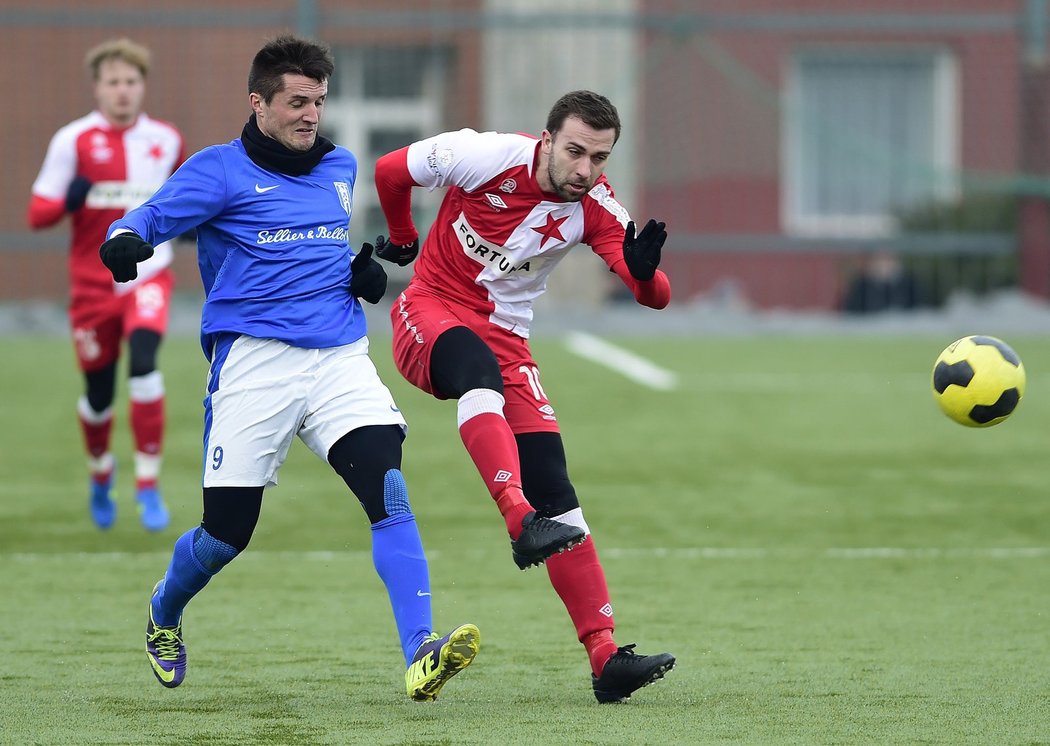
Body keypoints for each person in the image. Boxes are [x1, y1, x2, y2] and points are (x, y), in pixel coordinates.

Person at [96, 34, 480, 701]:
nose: (311, 114)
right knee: (225, 536)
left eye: (319, 101)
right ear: (259, 102)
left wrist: (360, 275)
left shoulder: (339, 168)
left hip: (337, 360)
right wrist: (123, 242)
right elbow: (147, 218)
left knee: (387, 488)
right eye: (297, 102)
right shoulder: (218, 170)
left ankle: (421, 651)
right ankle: (164, 609)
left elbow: (331, 252)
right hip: (253, 364)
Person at [372, 89, 677, 703]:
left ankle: (605, 656)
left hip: (508, 340)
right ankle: (518, 518)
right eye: (575, 152)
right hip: (428, 309)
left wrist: (643, 273)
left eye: (599, 157)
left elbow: (655, 295)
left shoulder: (597, 206)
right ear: (546, 140)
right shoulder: (481, 156)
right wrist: (404, 238)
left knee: (557, 489)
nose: (585, 169)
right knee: (478, 371)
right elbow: (389, 170)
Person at [27, 38, 185, 532]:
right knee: (98, 396)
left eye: (131, 82)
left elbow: (182, 203)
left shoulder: (166, 140)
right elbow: (37, 215)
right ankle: (101, 475)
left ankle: (147, 485)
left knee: (144, 365)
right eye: (114, 82)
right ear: (98, 88)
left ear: (143, 87)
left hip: (148, 275)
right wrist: (69, 201)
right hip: (92, 287)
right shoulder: (72, 141)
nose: (123, 91)